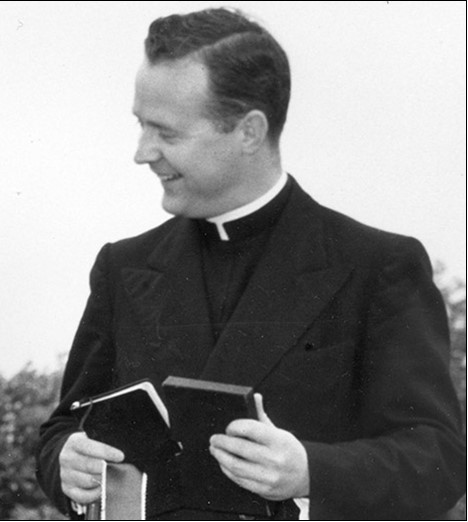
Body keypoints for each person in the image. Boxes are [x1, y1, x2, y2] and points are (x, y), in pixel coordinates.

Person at [37, 7, 465, 520]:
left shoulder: (378, 267)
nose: (142, 153)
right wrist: (66, 461)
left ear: (249, 131)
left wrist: (310, 471)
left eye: (167, 134)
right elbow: (64, 428)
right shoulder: (123, 267)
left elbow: (438, 461)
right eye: (140, 126)